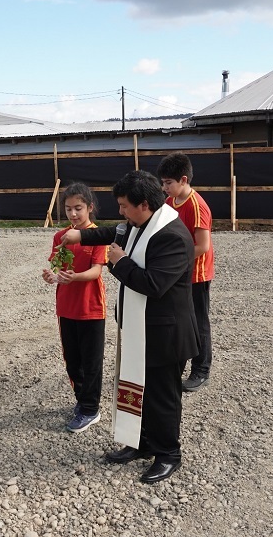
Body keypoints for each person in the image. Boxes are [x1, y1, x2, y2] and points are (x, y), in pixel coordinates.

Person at [61, 170, 198, 484]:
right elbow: (111, 232)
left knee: (162, 397)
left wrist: (119, 261)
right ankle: (143, 443)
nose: (120, 212)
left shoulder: (172, 236)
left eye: (124, 205)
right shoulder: (140, 223)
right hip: (141, 329)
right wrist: (79, 235)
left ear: (145, 204)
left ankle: (168, 454)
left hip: (165, 335)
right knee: (139, 389)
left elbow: (153, 285)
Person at [42, 183, 108, 433]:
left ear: (90, 208)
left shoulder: (98, 235)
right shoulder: (61, 236)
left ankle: (91, 409)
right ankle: (82, 400)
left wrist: (74, 277)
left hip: (91, 306)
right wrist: (52, 276)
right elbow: (57, 268)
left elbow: (96, 271)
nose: (73, 214)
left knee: (92, 361)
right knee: (73, 360)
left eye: (78, 208)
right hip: (66, 306)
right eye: (68, 209)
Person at [157, 152, 215, 392]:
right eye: (162, 183)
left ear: (183, 180)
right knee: (179, 320)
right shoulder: (170, 203)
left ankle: (201, 369)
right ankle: (176, 363)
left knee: (198, 321)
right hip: (178, 272)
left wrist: (175, 260)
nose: (164, 187)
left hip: (197, 274)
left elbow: (203, 245)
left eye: (168, 183)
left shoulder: (198, 206)